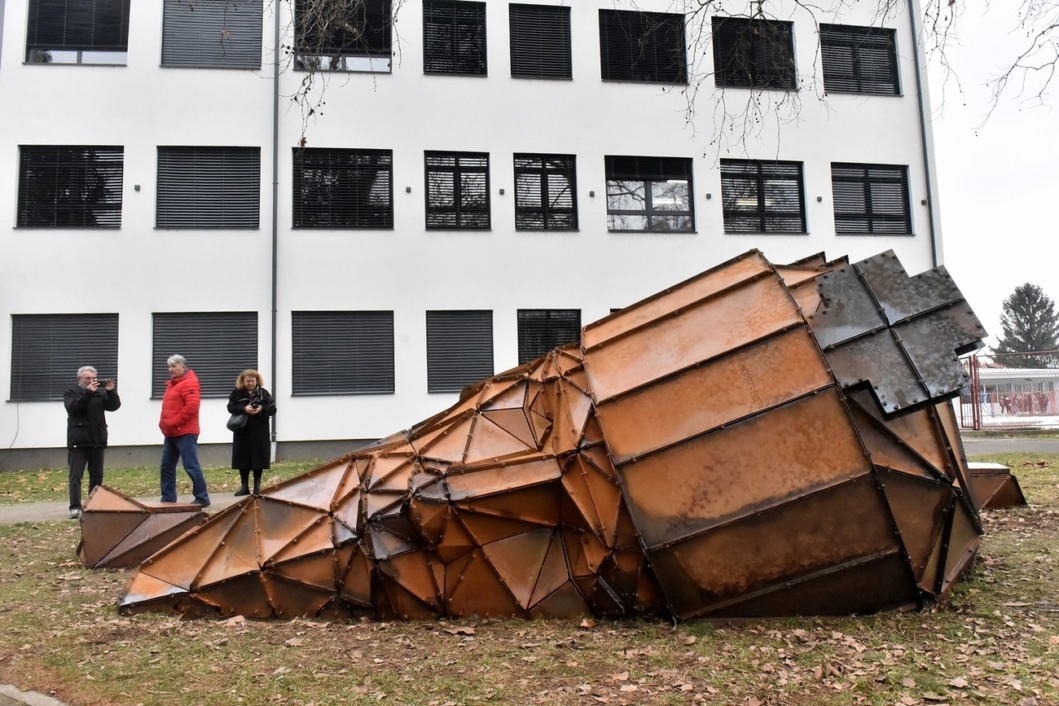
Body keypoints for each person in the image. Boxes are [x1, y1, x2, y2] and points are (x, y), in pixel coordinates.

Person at [63, 366, 121, 519]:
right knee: (76, 476)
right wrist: (88, 393)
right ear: (79, 379)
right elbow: (74, 409)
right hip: (78, 441)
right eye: (87, 378)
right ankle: (75, 507)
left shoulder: (99, 393)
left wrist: (110, 391)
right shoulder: (71, 393)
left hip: (97, 439)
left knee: (97, 475)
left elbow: (114, 406)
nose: (91, 381)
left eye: (94, 378)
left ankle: (92, 504)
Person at [159, 354, 211, 507]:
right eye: (169, 366)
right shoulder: (172, 384)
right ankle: (168, 497)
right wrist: (164, 424)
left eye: (174, 366)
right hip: (171, 432)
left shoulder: (189, 382)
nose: (170, 369)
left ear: (183, 366)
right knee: (166, 466)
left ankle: (202, 497)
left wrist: (174, 423)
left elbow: (191, 407)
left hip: (185, 432)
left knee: (190, 465)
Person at [227, 369, 276, 496]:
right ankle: (244, 486)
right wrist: (244, 409)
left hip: (259, 430)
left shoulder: (263, 393)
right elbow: (230, 407)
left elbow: (273, 409)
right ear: (242, 381)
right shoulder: (237, 393)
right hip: (242, 430)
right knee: (242, 458)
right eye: (248, 381)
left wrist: (261, 408)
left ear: (257, 381)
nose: (250, 384)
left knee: (258, 457)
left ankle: (257, 487)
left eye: (252, 381)